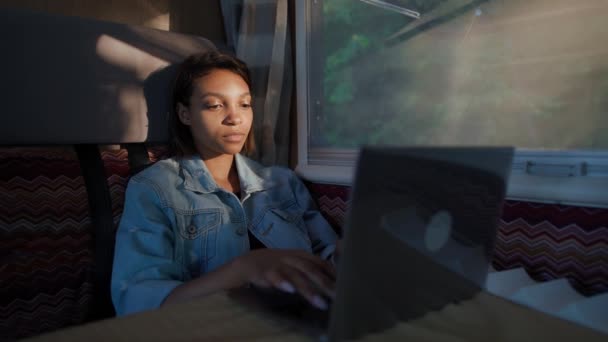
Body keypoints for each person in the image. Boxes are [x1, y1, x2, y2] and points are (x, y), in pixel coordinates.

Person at [111, 51, 339, 316]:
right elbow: (137, 303)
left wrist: (350, 256)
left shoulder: (282, 182)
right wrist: (243, 269)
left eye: (244, 104)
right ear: (185, 114)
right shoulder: (155, 188)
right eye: (215, 105)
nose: (235, 118)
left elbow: (328, 263)